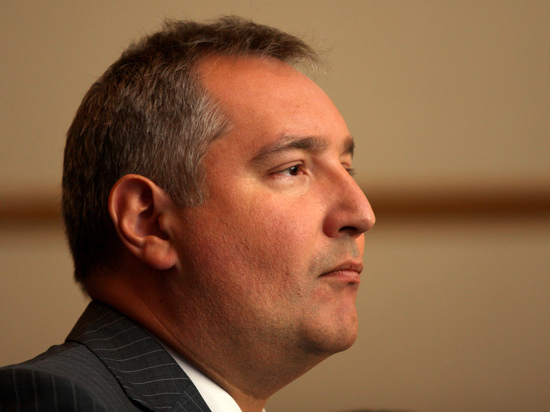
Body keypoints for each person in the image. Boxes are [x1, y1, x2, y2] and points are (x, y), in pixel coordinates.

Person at [0, 16, 375, 412]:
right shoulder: (57, 401)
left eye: (346, 168)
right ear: (150, 222)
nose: (362, 213)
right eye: (292, 169)